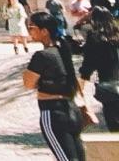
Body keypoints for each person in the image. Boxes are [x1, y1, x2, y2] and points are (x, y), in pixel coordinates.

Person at [28, 11, 89, 161]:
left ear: (44, 31)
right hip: (71, 109)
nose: (29, 30)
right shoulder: (63, 51)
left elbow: (28, 83)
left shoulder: (42, 56)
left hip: (53, 112)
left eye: (32, 27)